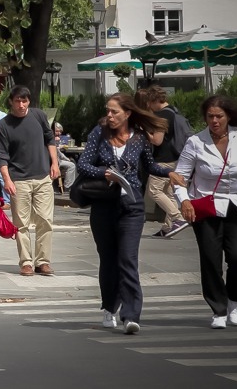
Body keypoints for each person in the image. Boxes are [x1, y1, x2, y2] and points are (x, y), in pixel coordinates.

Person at [76, 93, 171, 335]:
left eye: (114, 112)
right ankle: (109, 307)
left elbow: (150, 166)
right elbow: (83, 164)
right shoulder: (99, 133)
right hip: (104, 206)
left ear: (127, 113)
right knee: (108, 260)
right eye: (108, 111)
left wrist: (171, 173)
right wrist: (103, 173)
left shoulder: (139, 137)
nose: (109, 115)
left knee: (128, 259)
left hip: (132, 206)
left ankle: (131, 315)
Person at [173, 95, 237, 329]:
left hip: (236, 204)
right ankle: (218, 309)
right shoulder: (196, 142)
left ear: (229, 116)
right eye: (210, 116)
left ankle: (235, 301)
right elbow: (180, 176)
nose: (214, 121)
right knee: (211, 260)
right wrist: (184, 201)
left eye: (219, 116)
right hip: (206, 206)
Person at [0, 85, 60, 276]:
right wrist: (7, 180)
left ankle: (43, 261)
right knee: (21, 223)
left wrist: (54, 163)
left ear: (29, 101)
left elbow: (50, 139)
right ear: (11, 102)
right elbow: (1, 156)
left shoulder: (38, 116)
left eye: (25, 101)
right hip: (19, 180)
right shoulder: (4, 125)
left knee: (45, 220)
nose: (21, 105)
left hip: (42, 177)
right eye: (18, 101)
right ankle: (26, 262)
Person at [142, 86, 194, 239]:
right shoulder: (173, 111)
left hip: (162, 159)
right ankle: (168, 227)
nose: (148, 107)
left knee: (154, 190)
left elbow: (157, 141)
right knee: (169, 193)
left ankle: (177, 217)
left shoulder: (162, 116)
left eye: (149, 103)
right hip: (175, 158)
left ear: (154, 101)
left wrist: (143, 131)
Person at [52, 123, 77, 190]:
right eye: (57, 131)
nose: (59, 133)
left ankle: (67, 185)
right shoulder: (52, 139)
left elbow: (58, 152)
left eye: (60, 131)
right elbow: (58, 152)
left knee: (71, 161)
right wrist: (66, 159)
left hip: (56, 160)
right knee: (72, 165)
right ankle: (68, 186)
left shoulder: (56, 138)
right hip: (55, 161)